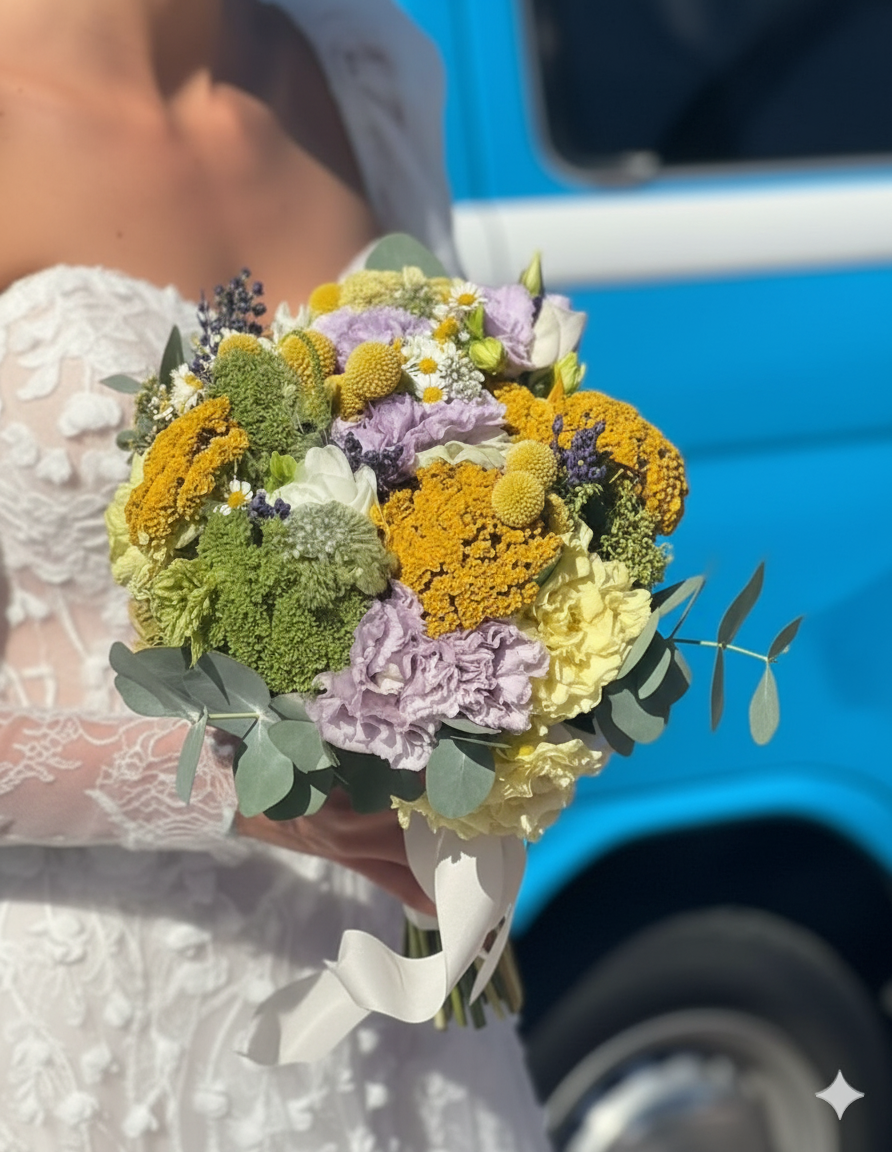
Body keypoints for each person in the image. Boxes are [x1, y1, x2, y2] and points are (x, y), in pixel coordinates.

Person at [0, 1, 553, 1148]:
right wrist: (236, 788)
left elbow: (465, 458)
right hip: (94, 1038)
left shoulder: (364, 74)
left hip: (398, 1024)